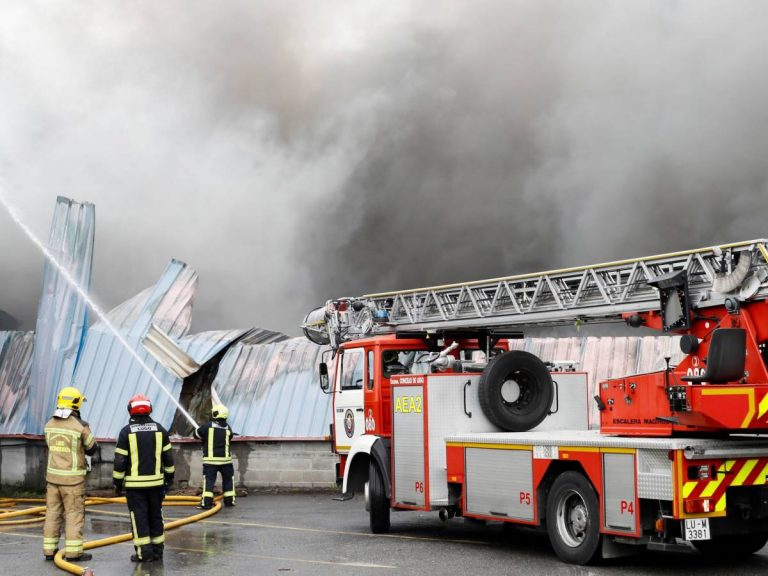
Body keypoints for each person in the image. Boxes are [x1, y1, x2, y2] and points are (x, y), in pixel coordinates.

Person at [112, 395, 174, 563]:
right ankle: (158, 551)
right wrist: (169, 480)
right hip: (156, 485)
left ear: (130, 410)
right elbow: (168, 458)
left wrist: (117, 483)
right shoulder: (160, 430)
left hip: (135, 487)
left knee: (139, 517)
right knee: (156, 516)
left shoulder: (126, 432)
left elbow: (120, 461)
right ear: (150, 409)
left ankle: (144, 553)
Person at [43, 386, 98, 562]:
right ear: (76, 404)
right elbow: (92, 448)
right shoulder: (80, 426)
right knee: (74, 515)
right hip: (73, 482)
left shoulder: (49, 424)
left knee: (52, 514)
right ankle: (74, 553)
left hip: (52, 480)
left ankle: (49, 550)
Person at [194, 404, 237, 509]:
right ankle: (230, 501)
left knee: (209, 481)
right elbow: (230, 437)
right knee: (228, 480)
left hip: (211, 461)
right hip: (226, 461)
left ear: (215, 413)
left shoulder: (207, 426)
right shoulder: (228, 428)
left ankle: (206, 504)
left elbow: (196, 435)